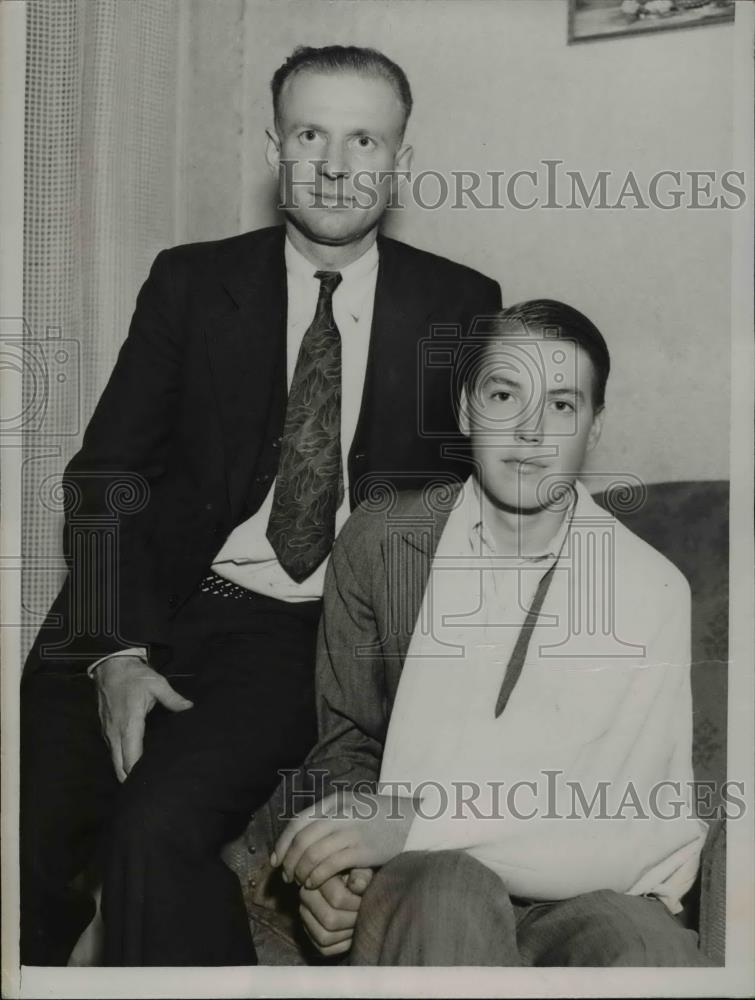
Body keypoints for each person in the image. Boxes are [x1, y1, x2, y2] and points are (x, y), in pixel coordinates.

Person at [20, 45, 501, 967]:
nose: (334, 163)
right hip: (137, 601)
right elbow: (106, 474)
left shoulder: (458, 306)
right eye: (310, 133)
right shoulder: (191, 282)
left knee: (154, 828)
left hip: (291, 632)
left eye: (364, 139)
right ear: (274, 146)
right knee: (29, 844)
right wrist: (115, 654)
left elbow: (468, 523)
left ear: (400, 157)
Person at [272, 299, 712, 966]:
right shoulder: (383, 542)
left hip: (579, 885)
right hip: (427, 874)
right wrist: (340, 872)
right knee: (446, 891)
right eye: (504, 394)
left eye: (562, 405)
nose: (531, 431)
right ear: (464, 410)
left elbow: (635, 819)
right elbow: (348, 743)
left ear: (594, 428)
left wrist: (409, 822)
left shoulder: (651, 588)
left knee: (647, 949)